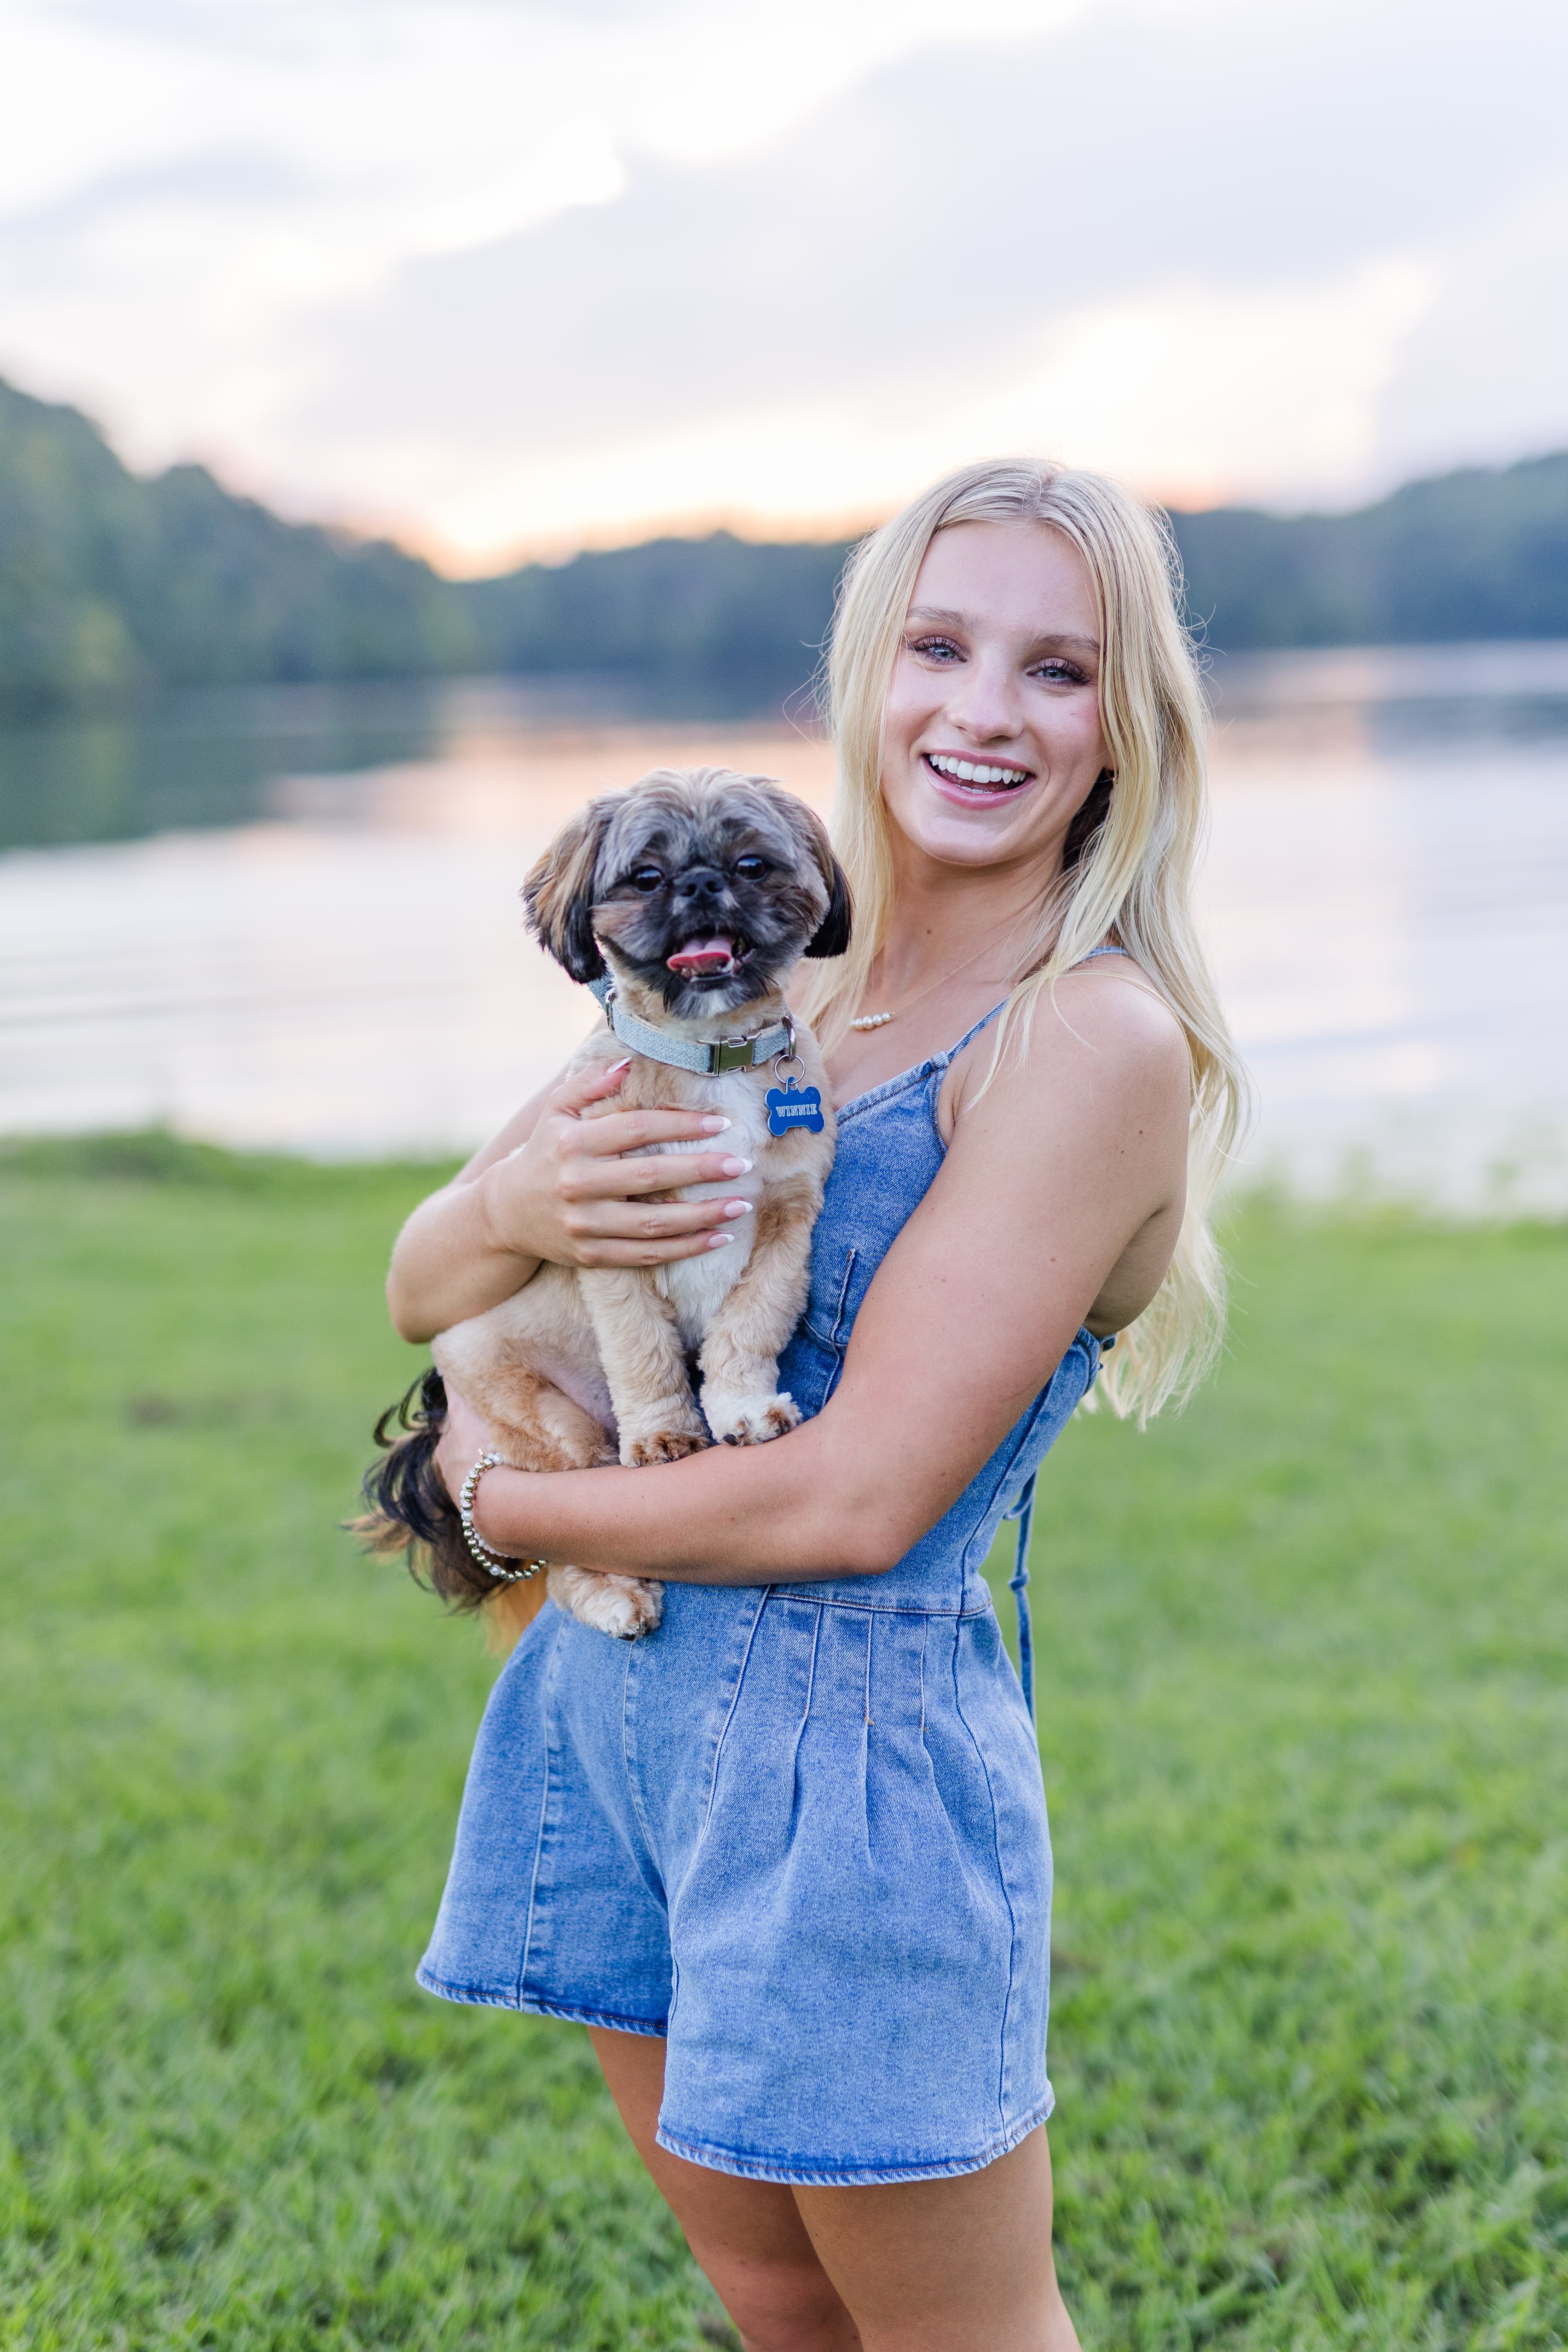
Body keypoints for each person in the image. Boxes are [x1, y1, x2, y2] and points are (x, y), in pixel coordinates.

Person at [385, 459, 1245, 2352]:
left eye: (1056, 667)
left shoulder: (1083, 1039)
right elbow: (423, 1286)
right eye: (940, 644)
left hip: (851, 1776)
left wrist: (502, 1504)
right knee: (775, 2305)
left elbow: (851, 1503)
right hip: (612, 1726)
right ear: (867, 670)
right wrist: (499, 1209)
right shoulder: (762, 988)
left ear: (1127, 727)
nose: (981, 708)